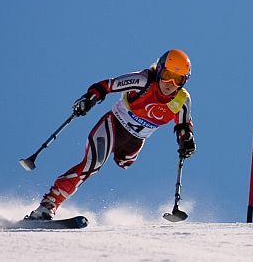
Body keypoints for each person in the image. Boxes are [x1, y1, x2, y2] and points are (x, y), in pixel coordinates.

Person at [27, 49, 196, 220]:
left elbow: (184, 125)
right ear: (159, 70)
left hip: (135, 141)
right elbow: (107, 86)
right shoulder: (143, 81)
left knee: (125, 163)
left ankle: (123, 158)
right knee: (92, 164)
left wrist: (186, 139)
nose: (170, 83)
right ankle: (47, 206)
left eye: (178, 79)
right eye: (167, 74)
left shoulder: (182, 100)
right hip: (113, 126)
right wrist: (89, 98)